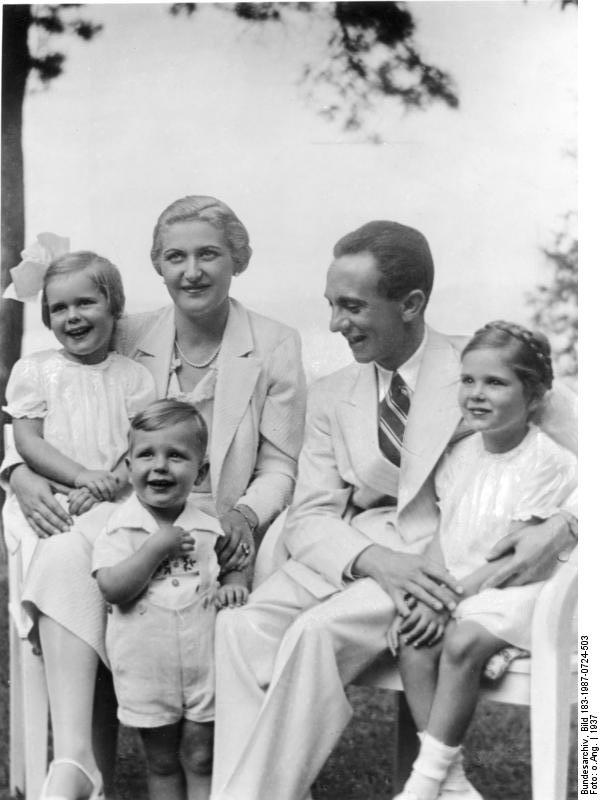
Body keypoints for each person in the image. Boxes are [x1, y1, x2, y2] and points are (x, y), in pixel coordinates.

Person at [212, 221, 578, 800]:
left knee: (315, 634)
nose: (336, 324)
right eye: (332, 306)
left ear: (411, 303)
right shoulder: (333, 394)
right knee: (238, 627)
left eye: (352, 306)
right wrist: (373, 559)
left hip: (445, 562)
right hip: (360, 554)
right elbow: (310, 513)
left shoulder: (483, 366)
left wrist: (566, 523)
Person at [4, 195, 306, 800]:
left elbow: (279, 463)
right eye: (175, 257)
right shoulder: (130, 328)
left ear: (237, 260)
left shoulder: (273, 343)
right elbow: (45, 401)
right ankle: (80, 761)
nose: (191, 271)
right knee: (69, 554)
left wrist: (245, 513)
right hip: (121, 510)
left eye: (208, 255)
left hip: (216, 519)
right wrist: (17, 471)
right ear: (157, 267)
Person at [386, 321, 577, 800]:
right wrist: (424, 592)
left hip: (527, 589)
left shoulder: (546, 460)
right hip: (464, 587)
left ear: (533, 397)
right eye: (468, 380)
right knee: (414, 641)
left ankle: (423, 783)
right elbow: (444, 539)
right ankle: (452, 784)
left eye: (495, 382)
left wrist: (449, 600)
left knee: (463, 641)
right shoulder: (461, 456)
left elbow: (510, 561)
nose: (476, 394)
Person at [2, 248, 156, 799]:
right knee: (62, 544)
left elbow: (137, 448)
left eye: (86, 302)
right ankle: (75, 756)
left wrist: (110, 478)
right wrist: (81, 478)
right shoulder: (36, 370)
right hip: (50, 494)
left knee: (104, 543)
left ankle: (78, 762)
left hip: (112, 500)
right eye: (59, 307)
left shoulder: (134, 377)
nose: (73, 317)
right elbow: (28, 441)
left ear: (113, 305)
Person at [94, 399, 248, 800]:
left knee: (201, 756)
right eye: (146, 455)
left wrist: (234, 581)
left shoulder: (207, 524)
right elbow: (112, 587)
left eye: (176, 456)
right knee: (161, 761)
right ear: (128, 467)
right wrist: (154, 550)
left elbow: (230, 563)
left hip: (205, 664)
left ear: (202, 471)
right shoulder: (121, 526)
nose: (160, 466)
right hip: (147, 667)